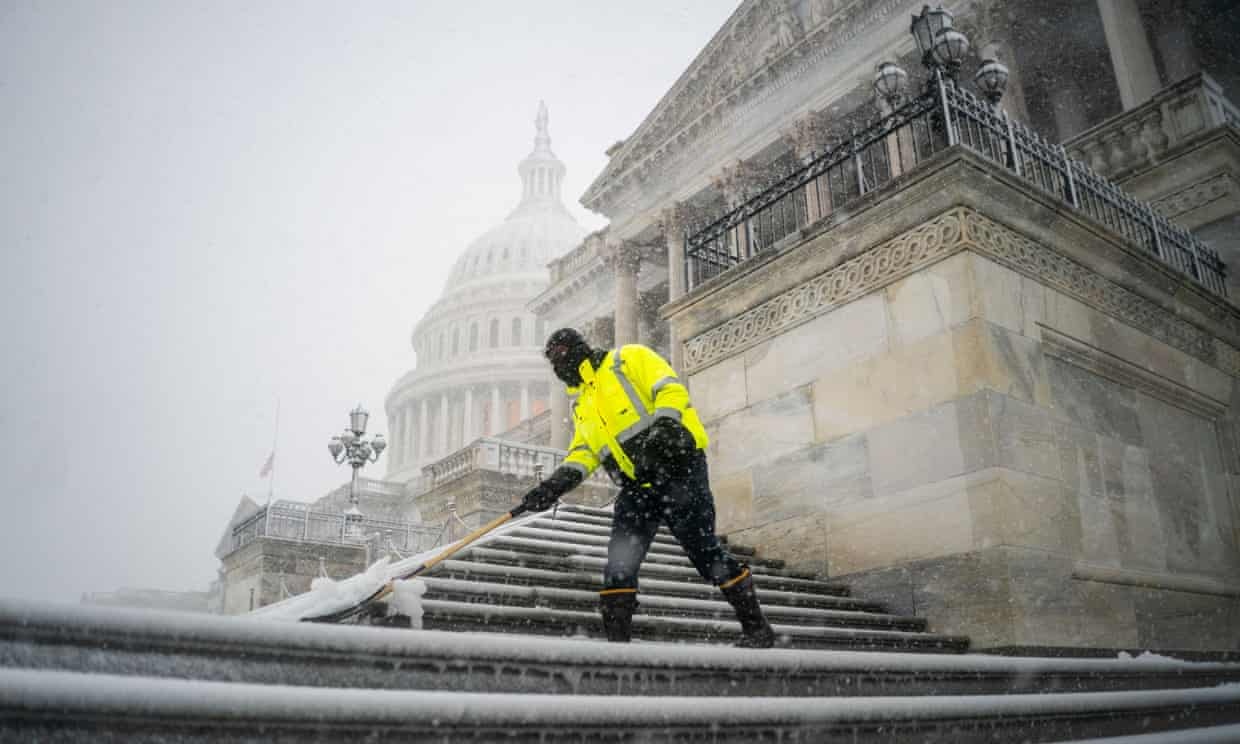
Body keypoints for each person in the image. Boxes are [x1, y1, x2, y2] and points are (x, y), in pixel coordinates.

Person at [521, 328, 776, 648]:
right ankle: (618, 647)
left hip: (678, 468)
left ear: (579, 347)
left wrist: (664, 429)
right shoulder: (582, 405)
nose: (559, 365)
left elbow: (669, 388)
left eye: (561, 354)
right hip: (637, 486)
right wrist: (553, 486)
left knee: (703, 551)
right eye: (553, 361)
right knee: (619, 564)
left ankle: (757, 628)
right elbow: (584, 453)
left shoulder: (627, 359)